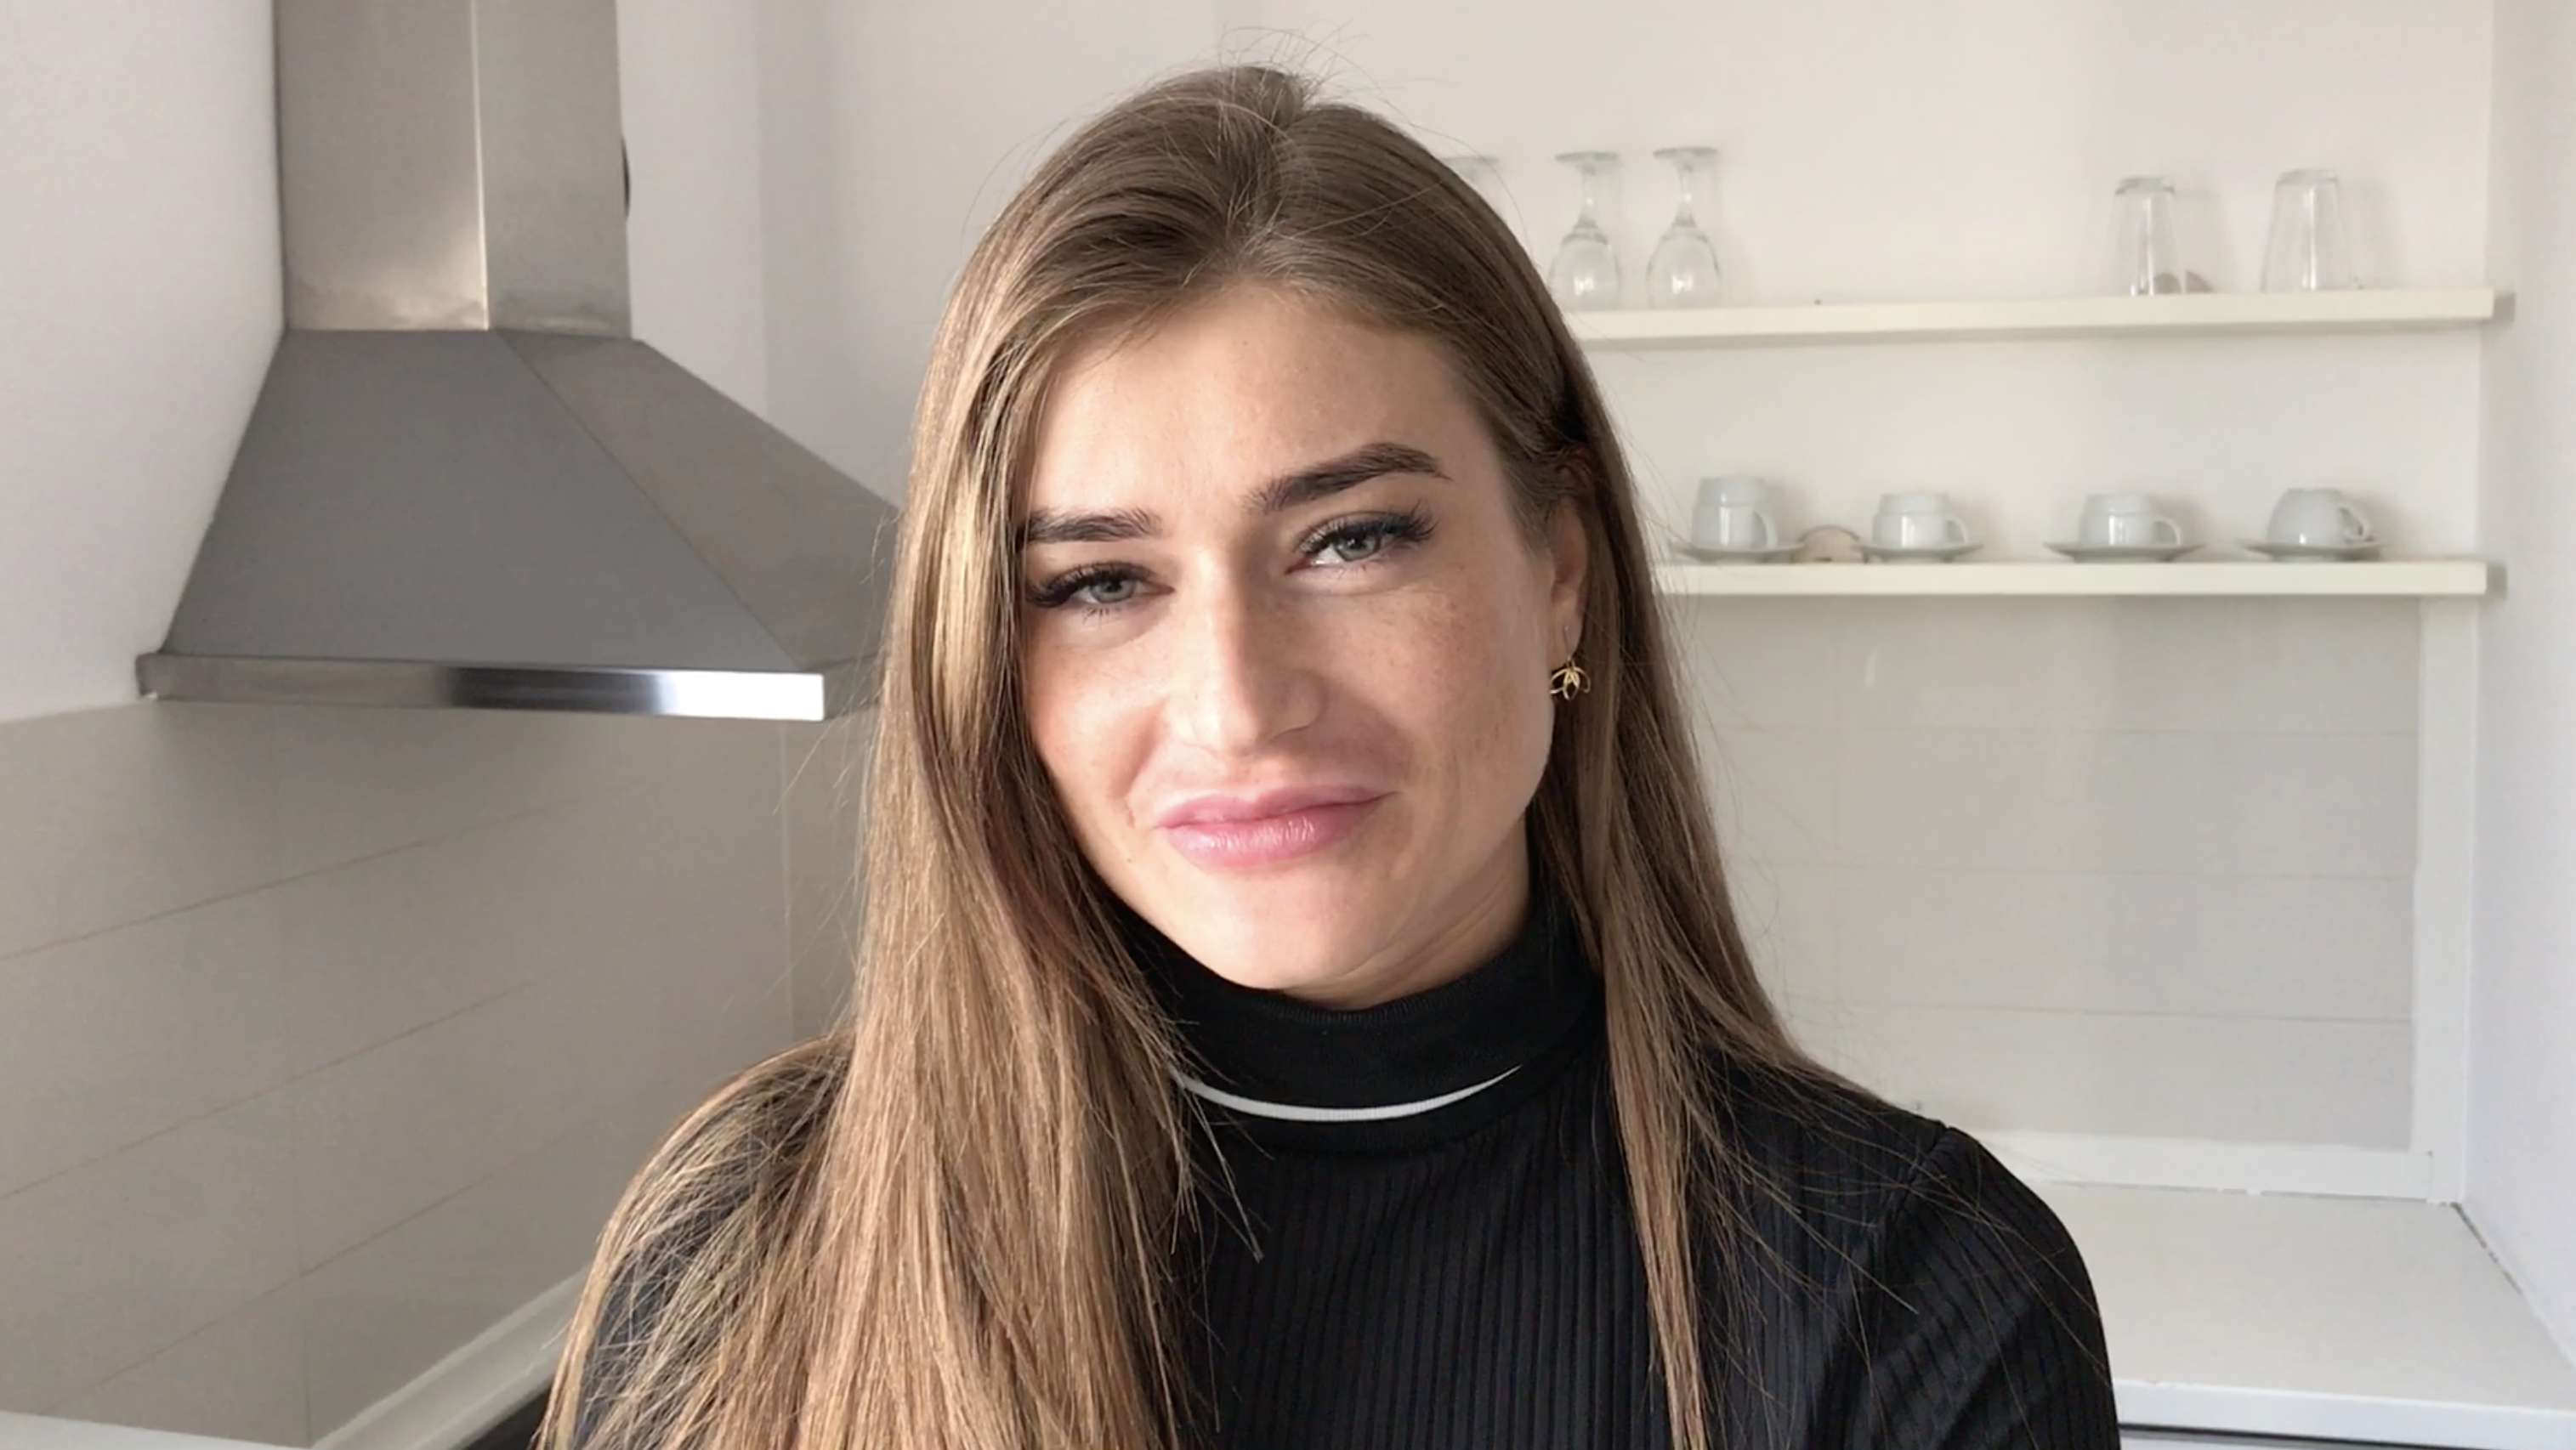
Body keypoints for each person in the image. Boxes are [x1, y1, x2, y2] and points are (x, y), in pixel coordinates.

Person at [539, 63, 2120, 1450]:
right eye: (1098, 581)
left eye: (1351, 539)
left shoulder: (1910, 1296)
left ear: (1560, 566)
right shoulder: (748, 1239)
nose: (1236, 703)